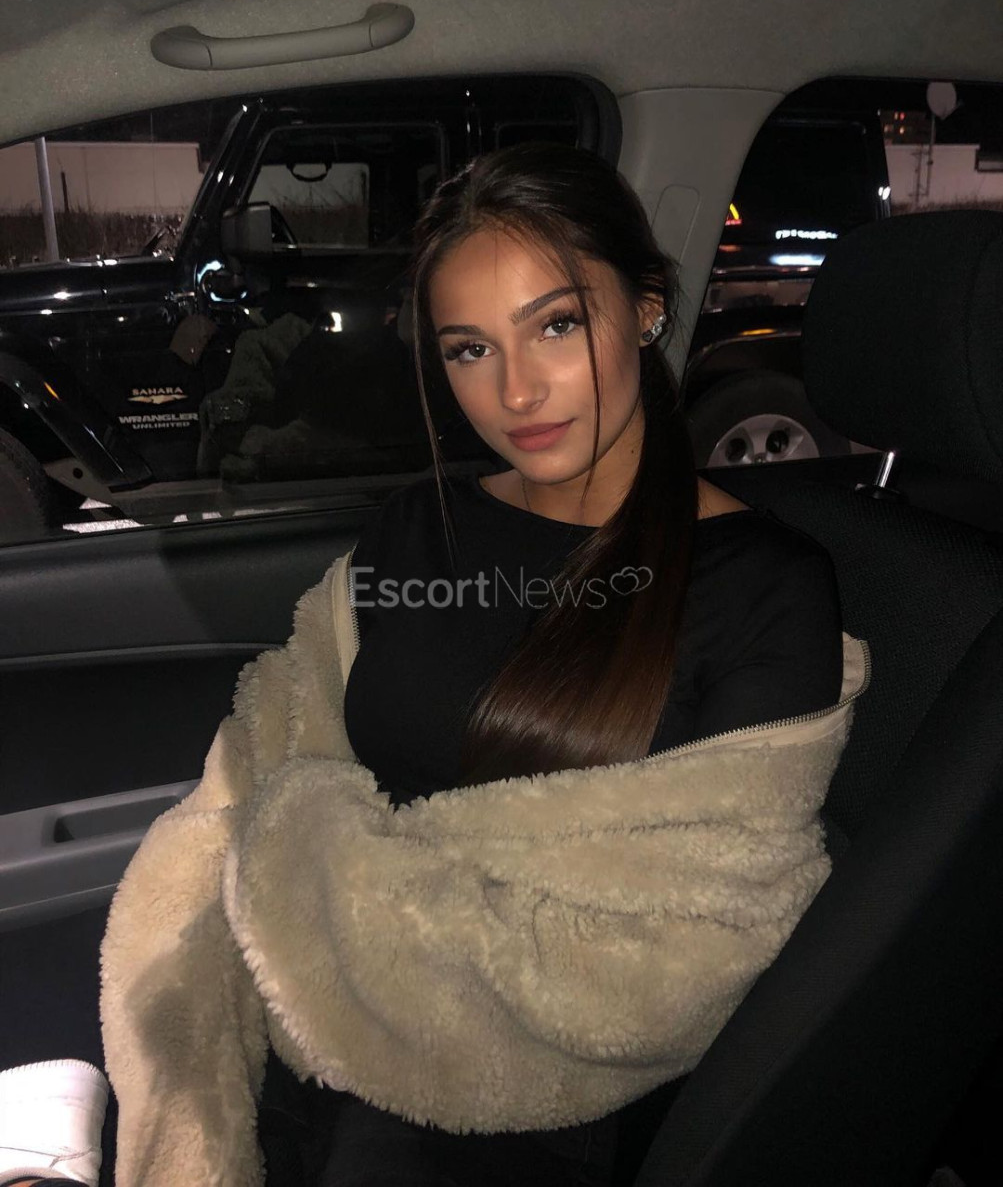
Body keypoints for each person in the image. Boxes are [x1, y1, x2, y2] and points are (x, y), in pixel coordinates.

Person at [0, 140, 845, 1187]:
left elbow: (691, 948)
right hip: (302, 1026)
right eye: (468, 348)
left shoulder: (765, 586)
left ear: (646, 308)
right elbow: (263, 759)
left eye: (555, 325)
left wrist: (303, 873)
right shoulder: (419, 528)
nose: (516, 391)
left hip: (529, 1108)